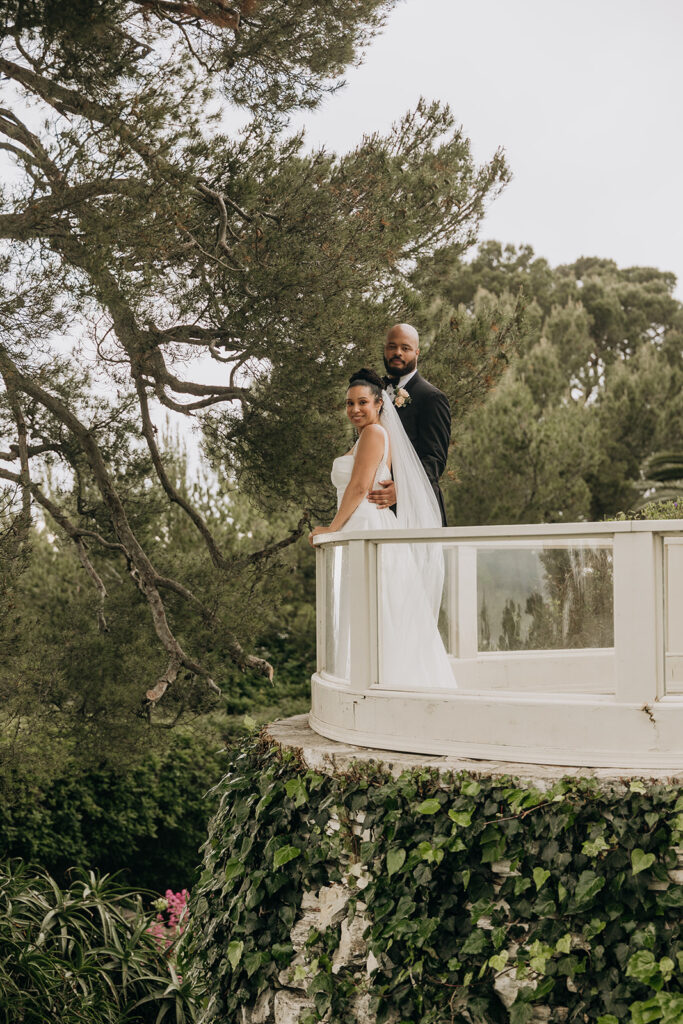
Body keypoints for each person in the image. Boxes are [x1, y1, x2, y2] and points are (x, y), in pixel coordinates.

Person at [309, 368, 455, 690]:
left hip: (365, 525)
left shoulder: (375, 434)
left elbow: (360, 487)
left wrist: (331, 529)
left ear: (378, 404)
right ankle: (364, 682)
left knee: (379, 605)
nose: (355, 409)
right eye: (349, 403)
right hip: (361, 525)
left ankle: (382, 685)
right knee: (369, 605)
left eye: (362, 402)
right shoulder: (366, 437)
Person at [368, 323, 451, 527]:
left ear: (417, 352)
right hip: (374, 510)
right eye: (392, 347)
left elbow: (435, 460)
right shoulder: (371, 393)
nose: (397, 353)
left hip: (417, 510)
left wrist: (402, 490)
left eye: (405, 348)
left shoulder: (432, 397)